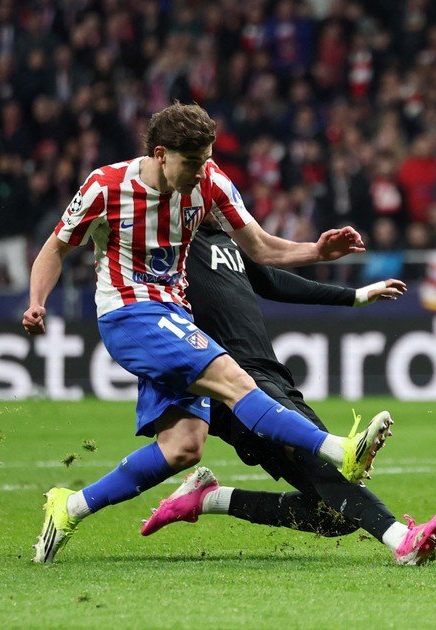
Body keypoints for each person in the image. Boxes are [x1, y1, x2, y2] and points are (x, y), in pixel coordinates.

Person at [22, 103, 392, 563]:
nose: (201, 171)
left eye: (207, 159)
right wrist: (37, 301)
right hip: (129, 313)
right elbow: (55, 248)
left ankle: (69, 507)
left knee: (183, 448)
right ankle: (339, 449)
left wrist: (316, 250)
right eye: (192, 162)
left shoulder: (210, 181)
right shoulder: (106, 186)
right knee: (236, 380)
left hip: (176, 314)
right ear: (161, 154)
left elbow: (261, 247)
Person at [138, 218, 436, 565]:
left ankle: (208, 499)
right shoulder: (173, 241)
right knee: (319, 461)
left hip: (271, 372)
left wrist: (355, 296)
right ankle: (403, 540)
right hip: (231, 384)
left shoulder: (226, 240)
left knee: (337, 515)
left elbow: (273, 281)